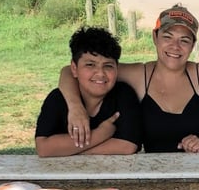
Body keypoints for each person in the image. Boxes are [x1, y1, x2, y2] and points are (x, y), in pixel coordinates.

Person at [60, 5, 199, 153]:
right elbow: (70, 72)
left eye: (184, 40)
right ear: (155, 37)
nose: (175, 47)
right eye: (167, 37)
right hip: (159, 176)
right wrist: (75, 108)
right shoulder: (140, 76)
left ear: (193, 45)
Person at [35, 26, 143, 157]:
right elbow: (44, 148)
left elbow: (127, 146)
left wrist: (71, 151)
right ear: (74, 68)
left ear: (117, 68)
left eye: (108, 66)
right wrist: (100, 134)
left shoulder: (123, 95)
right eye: (90, 65)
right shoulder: (58, 99)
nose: (100, 73)